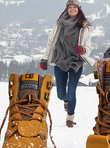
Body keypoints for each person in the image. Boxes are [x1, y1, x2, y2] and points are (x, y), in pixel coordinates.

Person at [39, 0, 95, 128]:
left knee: (72, 91)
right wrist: (44, 59)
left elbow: (88, 46)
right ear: (67, 9)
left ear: (79, 9)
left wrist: (82, 50)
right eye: (70, 7)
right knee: (60, 94)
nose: (72, 9)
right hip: (60, 61)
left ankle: (70, 118)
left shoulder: (84, 26)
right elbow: (51, 43)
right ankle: (65, 101)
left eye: (75, 7)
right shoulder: (59, 24)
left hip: (76, 62)